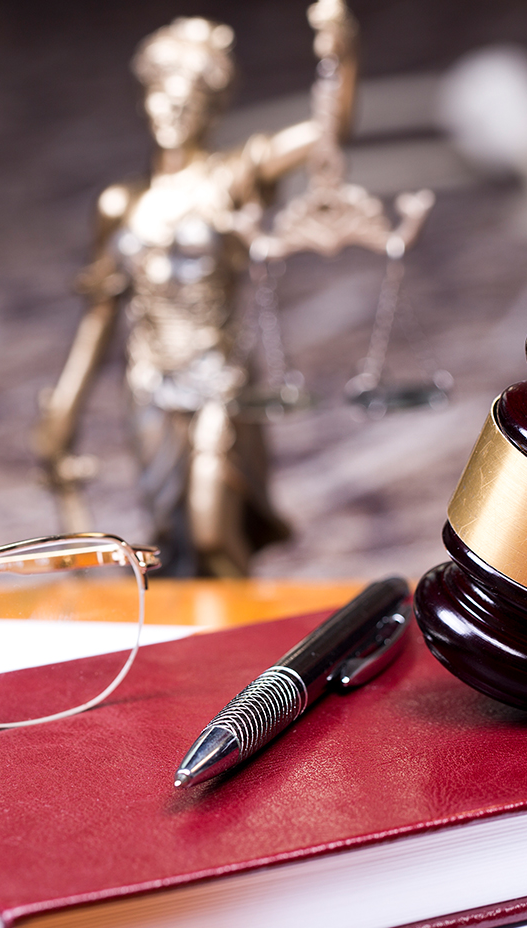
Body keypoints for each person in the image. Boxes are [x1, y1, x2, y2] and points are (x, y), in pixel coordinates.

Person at [31, 2, 357, 576]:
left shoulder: (229, 177)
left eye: (192, 100)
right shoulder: (121, 204)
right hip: (151, 386)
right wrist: (63, 411)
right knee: (177, 546)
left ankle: (254, 642)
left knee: (210, 528)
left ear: (212, 107)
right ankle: (215, 648)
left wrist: (341, 54)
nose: (175, 110)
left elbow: (328, 129)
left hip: (218, 380)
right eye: (165, 96)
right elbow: (99, 318)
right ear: (146, 98)